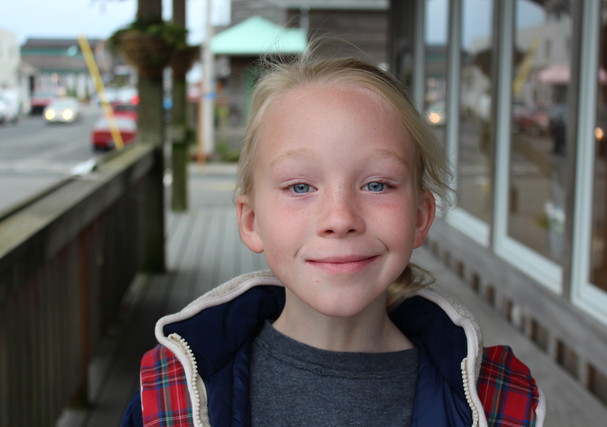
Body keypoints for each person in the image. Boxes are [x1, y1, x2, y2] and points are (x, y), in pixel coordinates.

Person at [121, 54, 545, 426]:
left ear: (420, 217)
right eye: (301, 187)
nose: (340, 219)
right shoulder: (170, 392)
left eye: (377, 185)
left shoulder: (499, 402)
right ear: (251, 220)